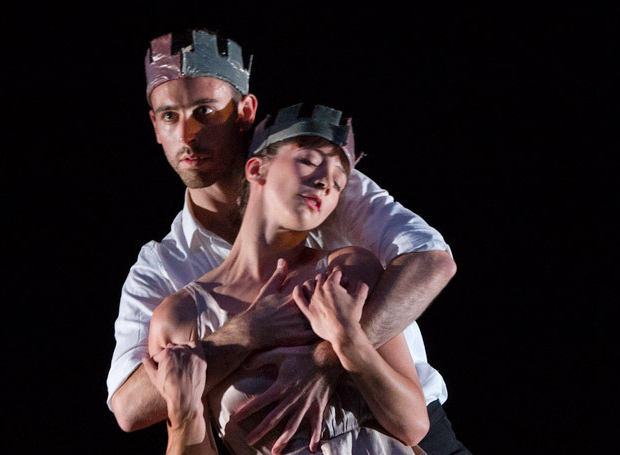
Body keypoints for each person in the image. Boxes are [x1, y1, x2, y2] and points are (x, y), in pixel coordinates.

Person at [107, 29, 468, 454]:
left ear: (244, 111)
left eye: (206, 111)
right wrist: (244, 333)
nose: (187, 134)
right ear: (154, 124)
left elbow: (431, 261)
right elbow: (130, 408)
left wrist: (327, 363)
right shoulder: (165, 269)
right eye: (170, 116)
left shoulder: (319, 182)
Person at [146, 104, 430, 454]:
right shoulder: (183, 317)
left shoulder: (348, 271)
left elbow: (414, 425)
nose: (326, 182)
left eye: (339, 182)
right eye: (309, 160)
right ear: (256, 168)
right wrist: (184, 413)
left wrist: (349, 343)